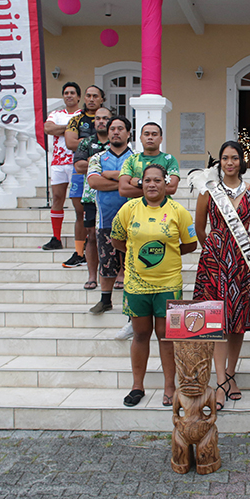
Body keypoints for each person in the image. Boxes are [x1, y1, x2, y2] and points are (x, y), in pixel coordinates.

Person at [110, 164, 197, 408]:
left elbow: (190, 244)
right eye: (147, 180)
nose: (151, 184)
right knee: (139, 334)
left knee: (166, 336)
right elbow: (117, 239)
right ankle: (137, 386)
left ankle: (170, 386)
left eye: (157, 180)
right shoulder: (129, 209)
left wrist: (168, 253)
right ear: (142, 183)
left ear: (165, 183)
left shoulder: (178, 211)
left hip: (168, 283)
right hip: (136, 284)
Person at [193, 141, 250, 411]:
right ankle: (220, 380)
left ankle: (231, 373)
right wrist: (215, 248)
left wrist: (246, 248)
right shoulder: (208, 191)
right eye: (224, 158)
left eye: (234, 158)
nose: (229, 162)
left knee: (238, 321)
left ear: (241, 161)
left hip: (242, 264)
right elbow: (199, 228)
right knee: (217, 321)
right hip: (214, 262)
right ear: (219, 162)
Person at [116, 122, 180, 340]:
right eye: (146, 134)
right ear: (140, 138)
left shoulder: (169, 159)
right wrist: (144, 185)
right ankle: (131, 321)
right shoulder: (132, 159)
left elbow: (171, 188)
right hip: (135, 218)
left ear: (161, 138)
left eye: (155, 134)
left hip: (164, 218)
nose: (150, 137)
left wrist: (138, 181)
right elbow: (122, 189)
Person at [86, 114, 133, 314]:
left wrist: (111, 177)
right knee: (107, 262)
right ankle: (105, 300)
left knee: (132, 263)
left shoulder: (136, 158)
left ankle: (132, 303)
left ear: (128, 133)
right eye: (112, 128)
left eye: (120, 128)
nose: (115, 132)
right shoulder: (98, 157)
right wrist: (124, 181)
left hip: (133, 220)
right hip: (106, 219)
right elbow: (94, 182)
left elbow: (141, 182)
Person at [62, 85, 106, 268]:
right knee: (80, 212)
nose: (91, 99)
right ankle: (79, 252)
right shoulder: (76, 119)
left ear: (101, 99)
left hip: (103, 176)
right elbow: (70, 142)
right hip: (80, 172)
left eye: (95, 96)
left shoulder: (109, 119)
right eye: (88, 96)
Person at [73, 107, 112, 292]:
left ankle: (118, 273)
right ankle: (91, 275)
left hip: (114, 197)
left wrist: (95, 164)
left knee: (117, 234)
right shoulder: (86, 142)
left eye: (105, 118)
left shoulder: (118, 143)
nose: (101, 121)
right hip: (90, 195)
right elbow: (79, 166)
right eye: (98, 118)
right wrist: (104, 164)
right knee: (91, 236)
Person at [41, 82, 81, 251]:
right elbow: (47, 128)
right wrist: (70, 127)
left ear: (78, 97)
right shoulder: (56, 113)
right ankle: (56, 237)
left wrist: (61, 130)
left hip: (76, 161)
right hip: (58, 162)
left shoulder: (82, 114)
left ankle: (82, 239)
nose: (69, 95)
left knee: (78, 202)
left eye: (72, 93)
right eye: (66, 93)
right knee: (57, 198)